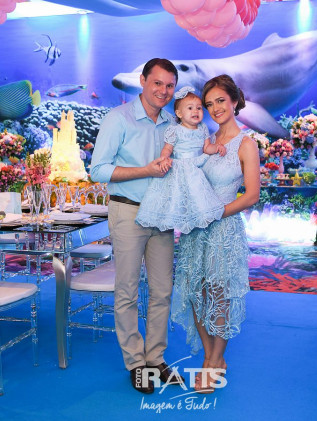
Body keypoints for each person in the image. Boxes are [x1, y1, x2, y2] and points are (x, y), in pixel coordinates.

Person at [90, 58, 183, 394]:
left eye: (170, 86)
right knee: (127, 291)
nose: (163, 91)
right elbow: (98, 170)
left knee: (162, 291)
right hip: (128, 211)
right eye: (157, 83)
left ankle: (156, 358)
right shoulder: (119, 118)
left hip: (162, 216)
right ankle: (135, 363)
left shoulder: (172, 123)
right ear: (142, 81)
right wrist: (146, 170)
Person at [170, 74, 260, 393]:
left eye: (221, 100)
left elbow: (252, 195)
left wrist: (217, 212)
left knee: (219, 296)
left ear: (234, 101)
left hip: (223, 228)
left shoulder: (246, 144)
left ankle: (213, 361)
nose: (215, 108)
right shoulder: (203, 139)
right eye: (209, 104)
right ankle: (212, 357)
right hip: (196, 230)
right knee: (196, 293)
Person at [135, 86, 226, 234]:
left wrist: (216, 147)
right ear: (179, 113)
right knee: (176, 195)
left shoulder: (202, 128)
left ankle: (196, 218)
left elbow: (206, 147)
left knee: (197, 195)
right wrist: (164, 159)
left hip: (196, 166)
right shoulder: (175, 130)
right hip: (179, 166)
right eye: (190, 108)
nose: (195, 111)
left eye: (199, 108)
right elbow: (167, 148)